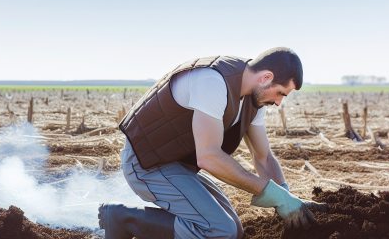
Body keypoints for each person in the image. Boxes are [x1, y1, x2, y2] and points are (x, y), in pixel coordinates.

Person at [98, 47, 326, 239]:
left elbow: (262, 157)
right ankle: (122, 218)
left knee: (233, 232)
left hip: (175, 166)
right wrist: (274, 194)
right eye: (280, 93)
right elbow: (208, 156)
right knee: (219, 230)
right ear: (266, 78)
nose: (278, 102)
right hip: (146, 163)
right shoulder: (213, 82)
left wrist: (286, 197)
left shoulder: (253, 100)